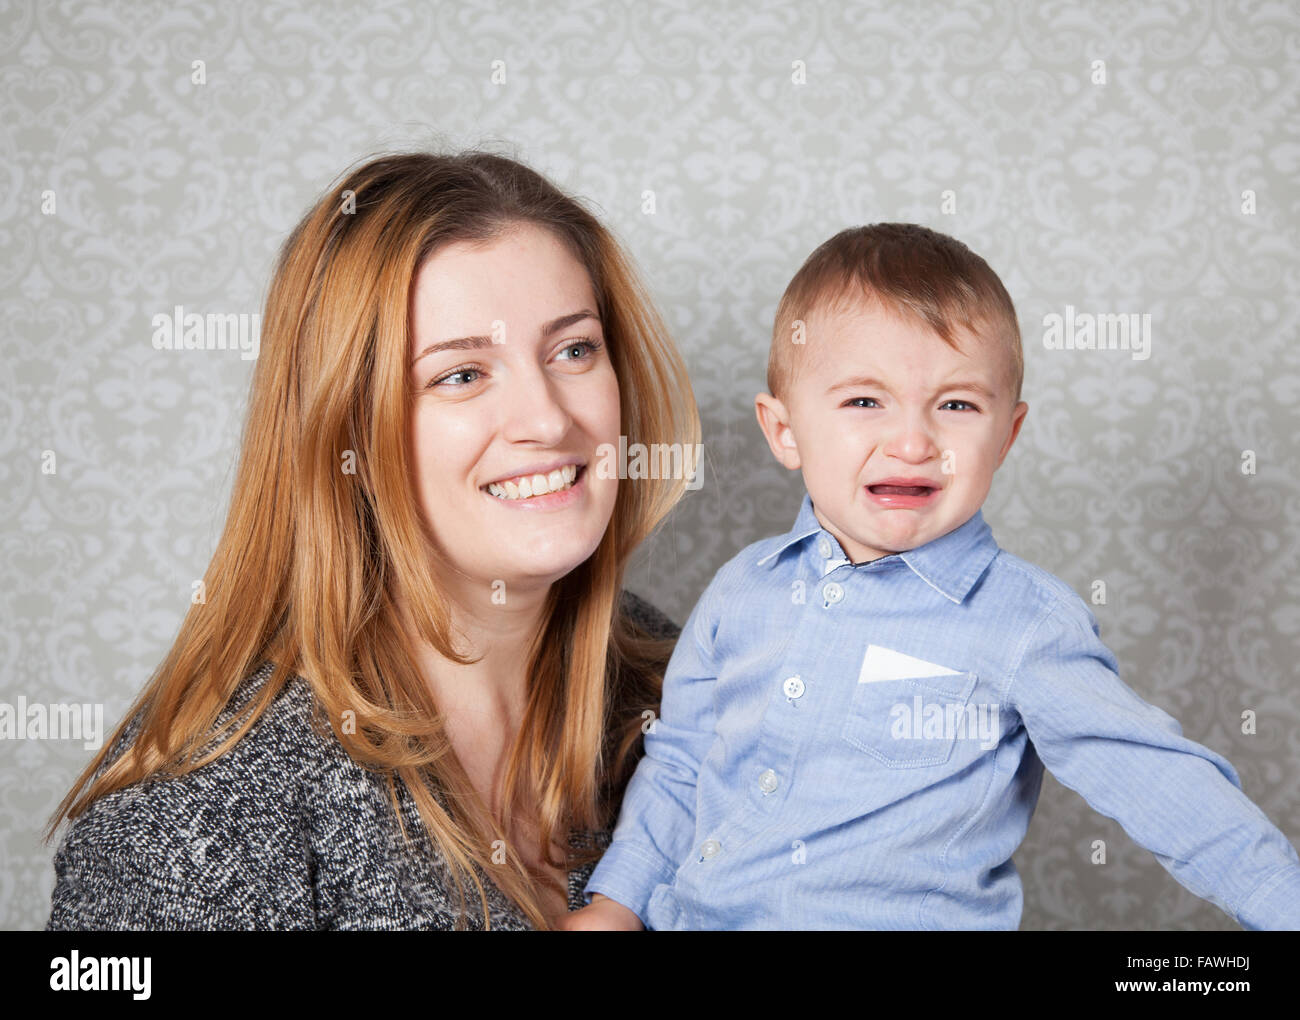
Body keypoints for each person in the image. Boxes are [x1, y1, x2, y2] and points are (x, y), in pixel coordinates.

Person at [567, 222, 1300, 930]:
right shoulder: (740, 591)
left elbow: (1159, 781)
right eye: (864, 401)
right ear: (785, 430)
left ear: (1005, 435)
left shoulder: (1022, 623)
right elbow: (680, 764)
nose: (913, 442)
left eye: (955, 405)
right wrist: (617, 901)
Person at [43, 149, 700, 931]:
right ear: (343, 431)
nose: (550, 421)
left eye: (573, 350)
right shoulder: (194, 825)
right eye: (461, 375)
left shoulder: (687, 684)